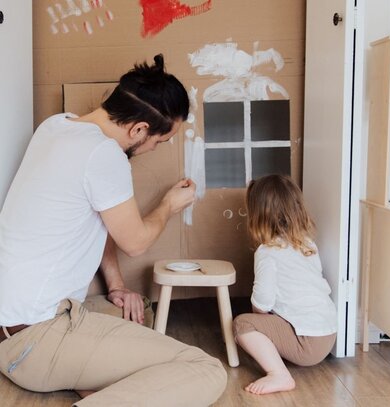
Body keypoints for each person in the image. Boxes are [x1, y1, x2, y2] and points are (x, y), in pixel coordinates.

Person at [0, 54, 226, 406]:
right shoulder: (104, 155)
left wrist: (117, 285)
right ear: (138, 129)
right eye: (159, 141)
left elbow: (98, 219)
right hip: (38, 342)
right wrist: (168, 205)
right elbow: (135, 242)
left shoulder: (56, 126)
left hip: (16, 332)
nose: (154, 149)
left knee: (137, 312)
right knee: (205, 368)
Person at [233, 174, 337, 395]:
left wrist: (261, 318)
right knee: (274, 318)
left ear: (257, 216)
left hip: (308, 343)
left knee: (243, 324)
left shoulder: (267, 252)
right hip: (329, 334)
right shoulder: (307, 244)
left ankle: (279, 374)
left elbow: (263, 300)